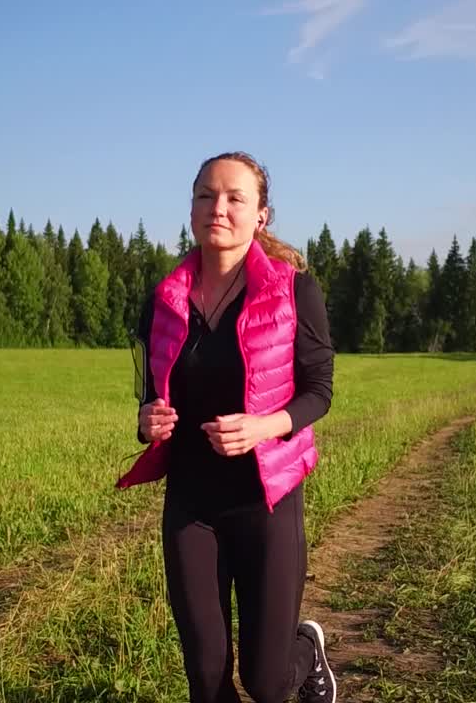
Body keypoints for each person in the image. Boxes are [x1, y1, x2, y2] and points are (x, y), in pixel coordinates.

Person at [117, 151, 337, 703]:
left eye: (236, 198)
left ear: (261, 215)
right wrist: (148, 420)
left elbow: (320, 393)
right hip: (191, 500)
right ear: (191, 209)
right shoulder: (163, 300)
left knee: (266, 683)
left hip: (265, 497)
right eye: (206, 196)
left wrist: (266, 426)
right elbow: (149, 392)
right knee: (207, 679)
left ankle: (307, 653)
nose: (219, 208)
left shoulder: (293, 290)